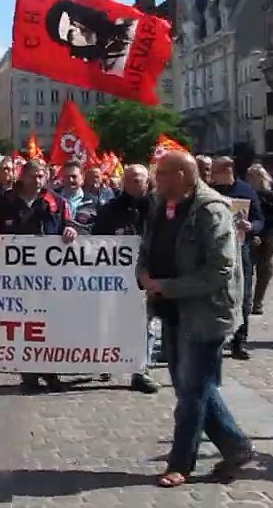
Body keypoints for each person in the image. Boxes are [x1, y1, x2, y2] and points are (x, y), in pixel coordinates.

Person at [142, 151, 252, 488]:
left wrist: (169, 286)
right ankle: (237, 446)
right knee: (188, 383)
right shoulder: (162, 204)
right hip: (172, 308)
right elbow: (149, 246)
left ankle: (181, 463)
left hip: (206, 313)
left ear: (182, 174)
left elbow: (219, 269)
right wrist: (143, 273)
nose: (155, 179)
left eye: (161, 174)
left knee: (192, 391)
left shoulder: (211, 210)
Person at [0, 159, 76, 391]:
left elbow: (72, 225)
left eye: (41, 176)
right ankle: (28, 370)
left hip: (48, 276)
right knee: (24, 324)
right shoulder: (4, 201)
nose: (37, 180)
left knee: (49, 323)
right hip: (14, 276)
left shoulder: (56, 202)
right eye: (33, 176)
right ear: (22, 176)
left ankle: (49, 369)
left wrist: (71, 230)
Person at [92, 163, 160, 394]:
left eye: (139, 178)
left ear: (147, 180)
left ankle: (141, 370)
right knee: (111, 321)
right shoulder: (110, 209)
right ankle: (107, 361)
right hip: (116, 277)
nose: (135, 182)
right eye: (130, 179)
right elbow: (96, 241)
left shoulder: (159, 207)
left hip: (148, 274)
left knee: (148, 324)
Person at [208, 156, 263, 361]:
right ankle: (215, 340)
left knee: (243, 296)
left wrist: (252, 227)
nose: (212, 175)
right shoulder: (210, 192)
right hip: (214, 252)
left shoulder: (246, 191)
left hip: (241, 251)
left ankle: (240, 340)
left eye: (215, 170)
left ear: (228, 170)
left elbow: (259, 220)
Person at [247, 164, 273, 315]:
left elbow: (270, 218)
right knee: (247, 268)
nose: (250, 179)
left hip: (267, 236)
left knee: (265, 270)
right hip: (250, 234)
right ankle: (246, 300)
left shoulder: (269, 195)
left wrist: (262, 234)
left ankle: (258, 301)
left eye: (253, 175)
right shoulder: (246, 193)